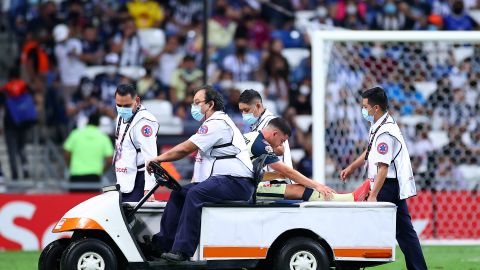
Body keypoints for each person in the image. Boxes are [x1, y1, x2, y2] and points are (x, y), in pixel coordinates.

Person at [148, 85, 254, 262]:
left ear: (210, 104)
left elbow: (185, 149)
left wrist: (158, 159)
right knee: (180, 193)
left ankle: (183, 251)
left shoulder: (217, 123)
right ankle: (162, 245)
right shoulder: (212, 124)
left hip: (238, 182)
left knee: (196, 193)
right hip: (225, 180)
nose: (194, 107)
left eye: (197, 103)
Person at [340, 86, 427, 270]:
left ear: (376, 108)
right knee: (405, 233)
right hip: (389, 185)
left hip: (386, 186)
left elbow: (383, 168)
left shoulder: (385, 133)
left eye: (365, 107)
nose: (363, 110)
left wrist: (373, 196)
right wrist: (352, 166)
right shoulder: (381, 125)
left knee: (361, 225)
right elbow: (370, 151)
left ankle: (347, 266)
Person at [245, 117, 370, 202]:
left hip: (242, 182)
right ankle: (350, 198)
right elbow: (288, 172)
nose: (280, 145)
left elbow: (249, 171)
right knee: (299, 189)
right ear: (274, 134)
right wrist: (318, 185)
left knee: (288, 182)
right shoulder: (262, 145)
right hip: (247, 189)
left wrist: (275, 176)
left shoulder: (250, 135)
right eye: (282, 141)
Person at [114, 84, 159, 202]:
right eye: (119, 105)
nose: (122, 109)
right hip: (123, 177)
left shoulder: (144, 122)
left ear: (137, 100)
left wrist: (149, 189)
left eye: (127, 105)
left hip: (139, 179)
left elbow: (151, 156)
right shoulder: (120, 116)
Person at [238, 89, 292, 178]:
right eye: (242, 111)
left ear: (258, 106)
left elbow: (281, 149)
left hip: (277, 179)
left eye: (246, 110)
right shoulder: (256, 123)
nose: (244, 114)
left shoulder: (270, 122)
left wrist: (254, 147)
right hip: (266, 178)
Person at [63, 111, 114, 192]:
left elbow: (66, 152)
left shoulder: (76, 134)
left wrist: (70, 165)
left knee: (75, 203)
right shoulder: (103, 137)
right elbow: (109, 159)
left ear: (87, 122)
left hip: (76, 175)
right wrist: (102, 171)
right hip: (94, 177)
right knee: (91, 203)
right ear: (99, 124)